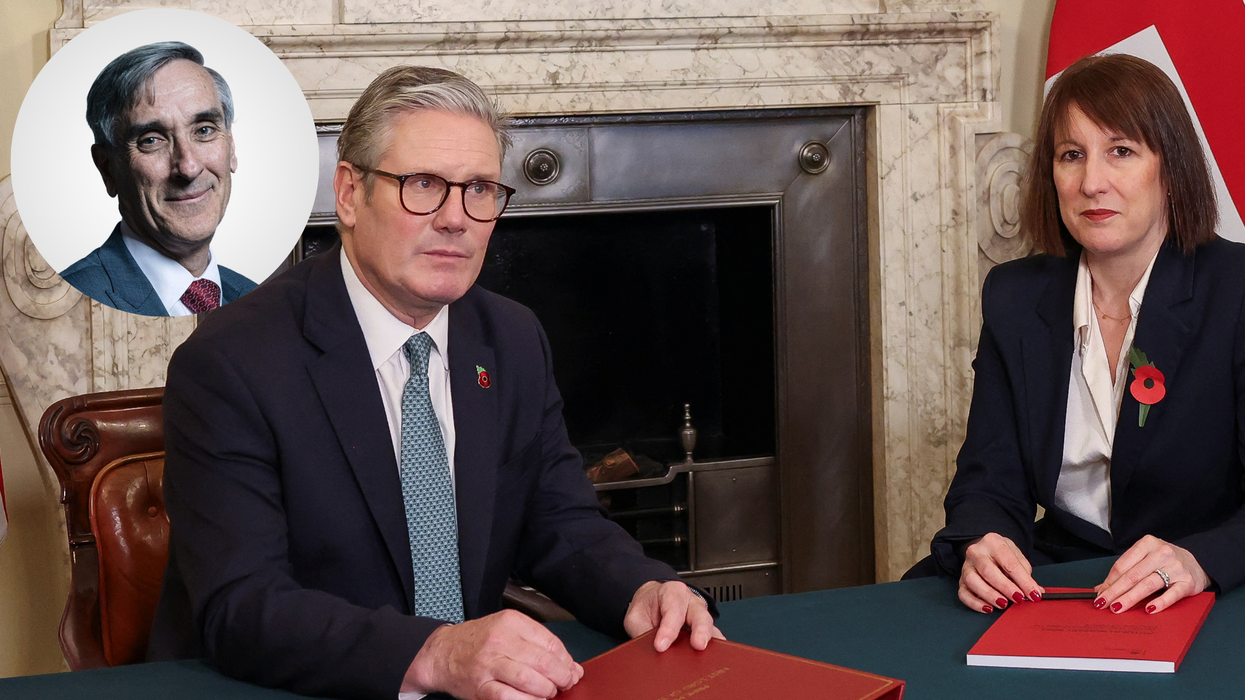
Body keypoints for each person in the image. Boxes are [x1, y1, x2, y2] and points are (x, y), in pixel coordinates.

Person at [148, 65, 721, 700]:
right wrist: (434, 652)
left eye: (479, 189)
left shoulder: (510, 338)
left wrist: (641, 588)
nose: (456, 218)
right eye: (423, 185)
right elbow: (242, 605)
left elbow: (557, 519)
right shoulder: (232, 361)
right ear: (348, 194)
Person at [913, 54, 1245, 617]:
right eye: (1071, 155)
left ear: (1171, 168)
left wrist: (1201, 560)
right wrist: (984, 541)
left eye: (1121, 151)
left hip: (1206, 580)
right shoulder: (1015, 295)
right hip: (1061, 577)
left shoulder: (1235, 289)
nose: (1092, 182)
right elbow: (989, 476)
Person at [61, 41, 256, 316]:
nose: (188, 167)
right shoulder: (68, 305)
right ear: (108, 169)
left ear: (231, 146)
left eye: (204, 130)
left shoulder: (257, 297)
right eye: (151, 140)